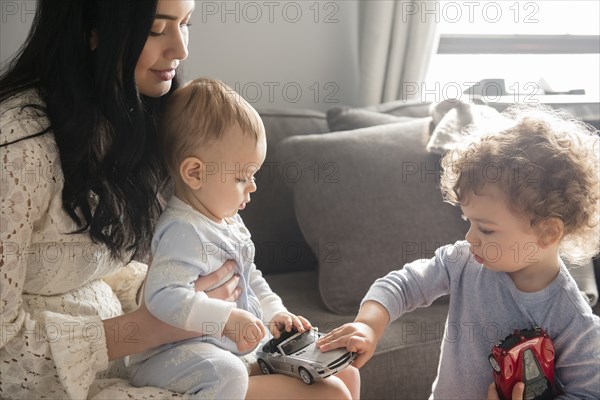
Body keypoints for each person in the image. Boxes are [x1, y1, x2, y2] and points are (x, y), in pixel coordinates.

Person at [0, 1, 359, 399]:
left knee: (344, 379)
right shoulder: (18, 149)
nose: (181, 50)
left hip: (137, 348)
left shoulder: (128, 123)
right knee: (329, 394)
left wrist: (178, 298)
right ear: (93, 30)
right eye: (157, 29)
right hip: (59, 378)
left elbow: (100, 266)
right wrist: (157, 324)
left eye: (185, 24)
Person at [317, 105, 600, 399]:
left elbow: (588, 393)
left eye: (486, 229)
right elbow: (402, 284)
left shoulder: (572, 320)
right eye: (469, 223)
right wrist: (368, 326)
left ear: (547, 232)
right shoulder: (464, 261)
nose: (469, 238)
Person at [126, 77, 349, 398]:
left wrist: (276, 313)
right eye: (242, 177)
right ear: (195, 173)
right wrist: (227, 318)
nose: (253, 186)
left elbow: (251, 276)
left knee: (327, 370)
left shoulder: (228, 221)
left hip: (215, 348)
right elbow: (163, 297)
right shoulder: (182, 229)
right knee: (228, 373)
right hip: (167, 357)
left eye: (254, 175)